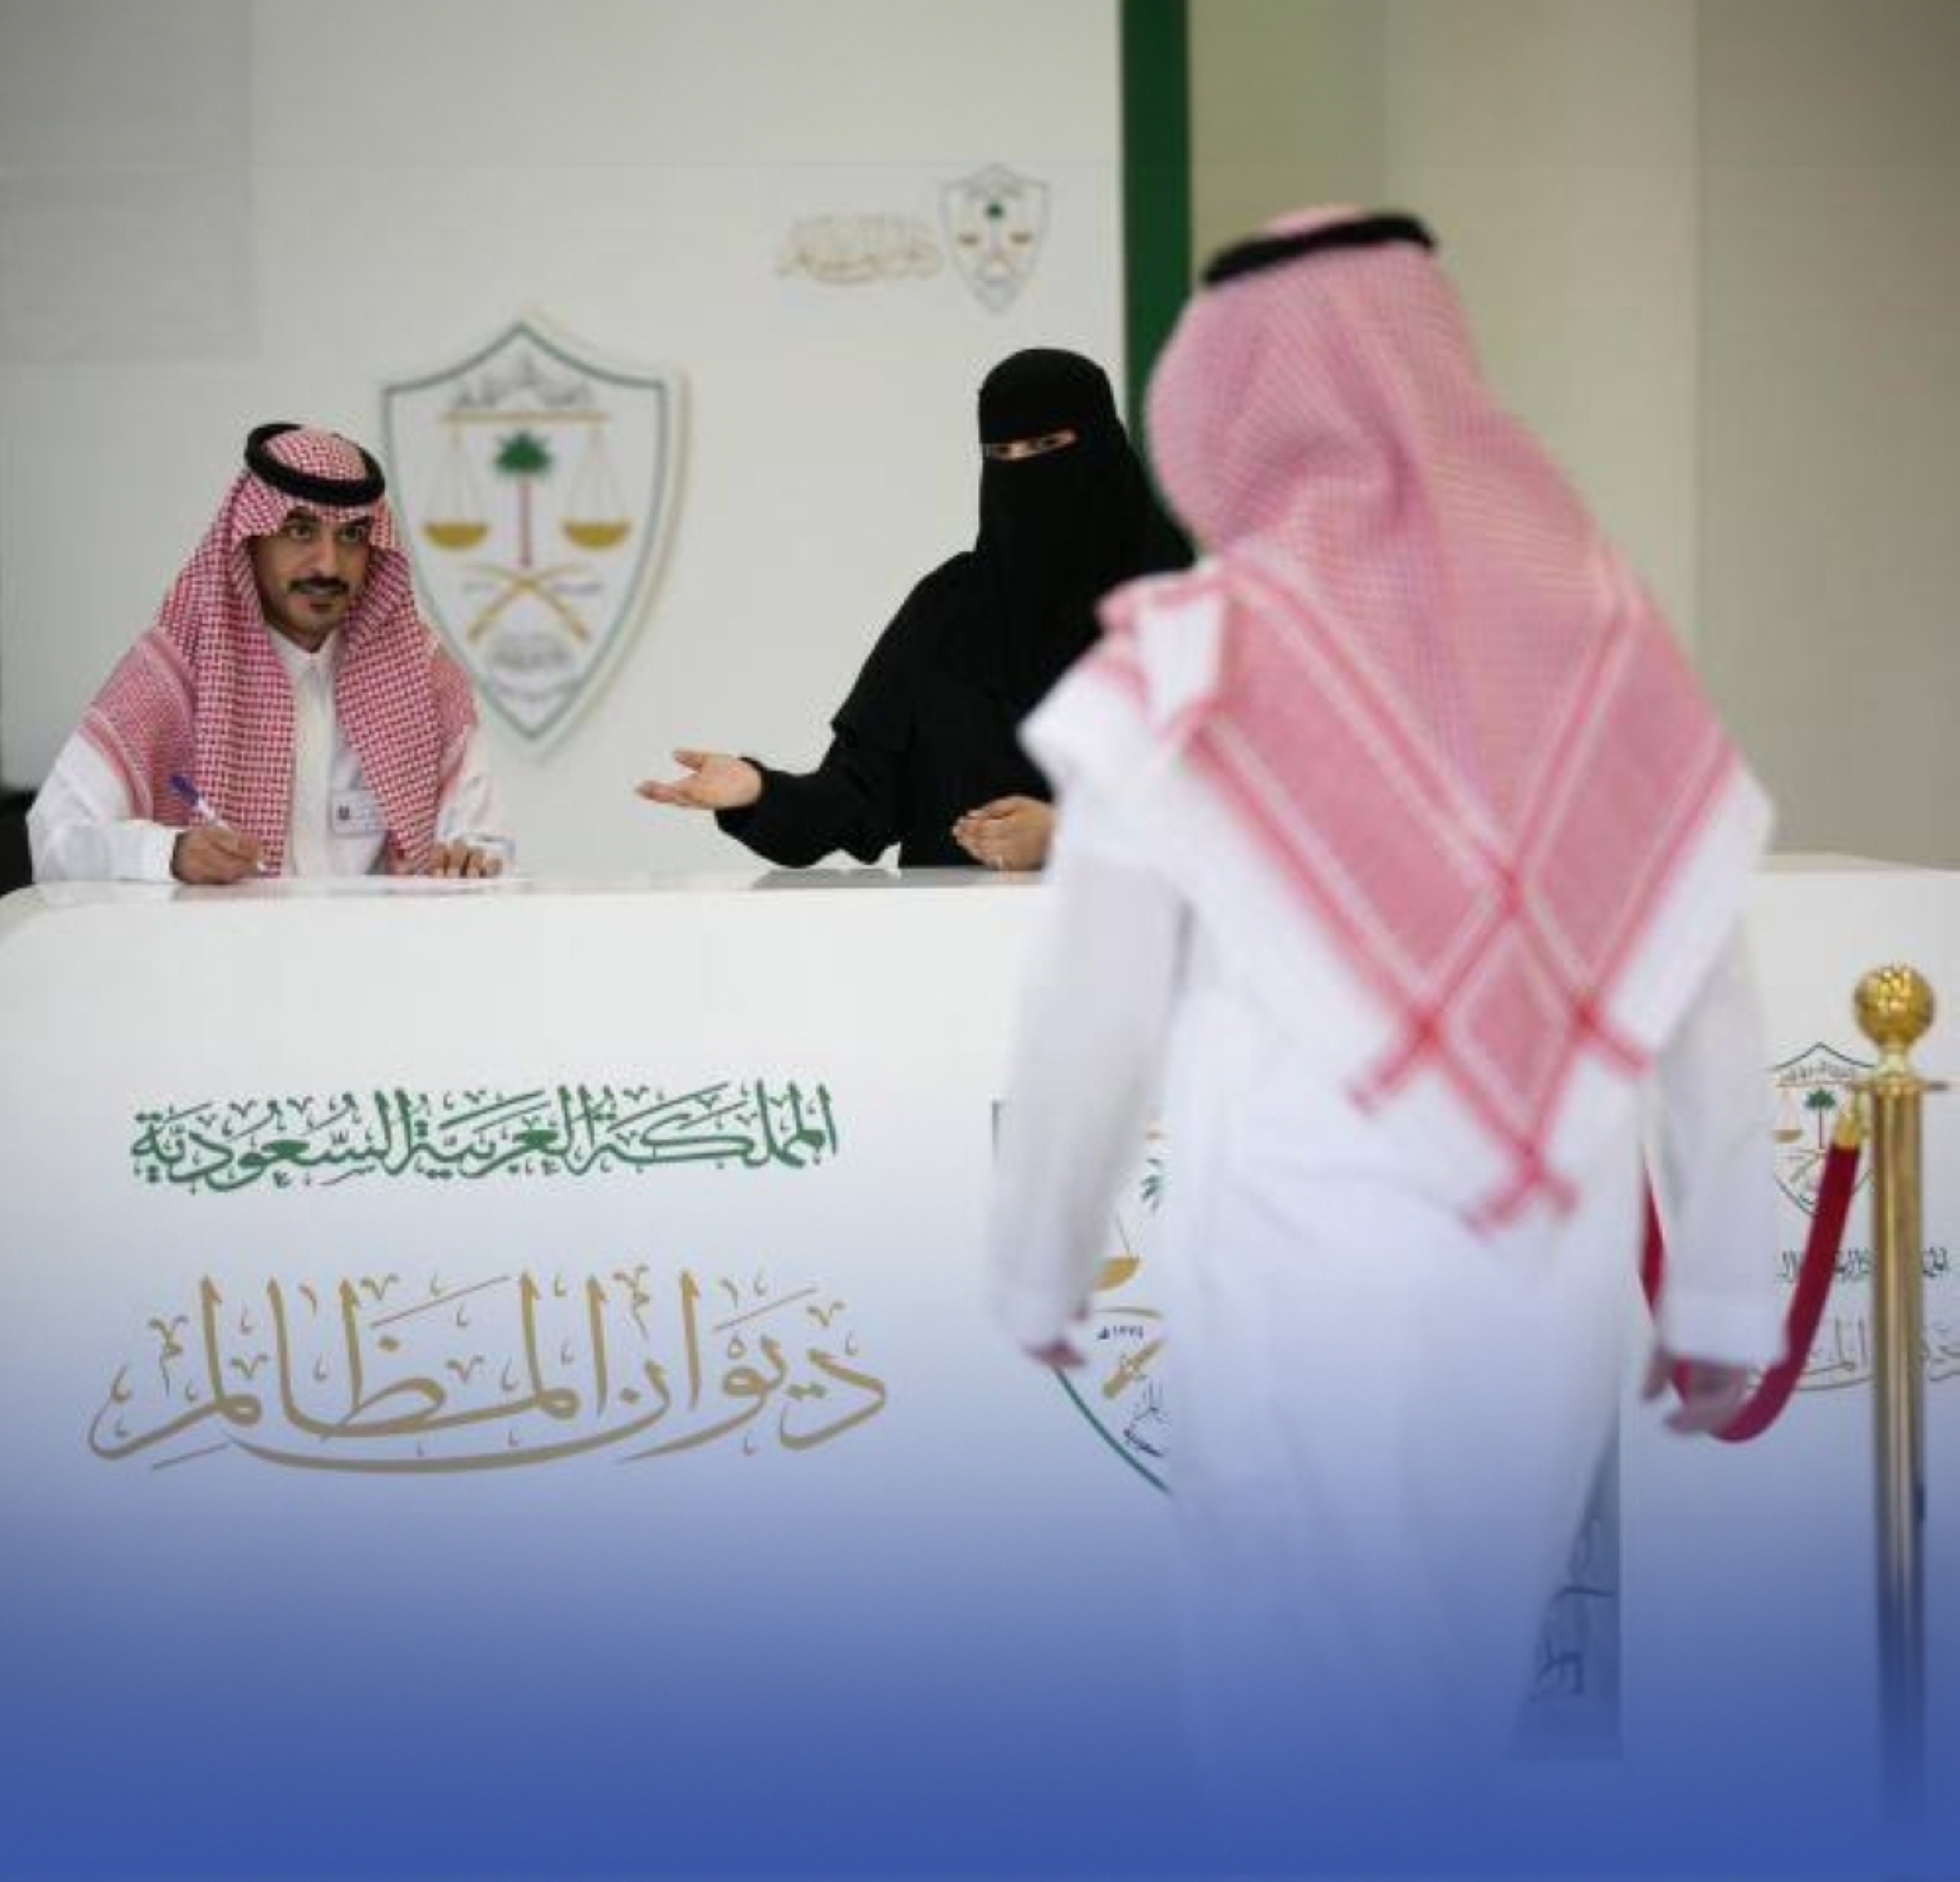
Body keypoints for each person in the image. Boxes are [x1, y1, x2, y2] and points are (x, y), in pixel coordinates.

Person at [984, 212, 1785, 1862]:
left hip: (1298, 1259)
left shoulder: (1200, 654)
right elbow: (1705, 980)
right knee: (1446, 1716)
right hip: (1540, 1265)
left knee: (1296, 1744)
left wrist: (1039, 1263)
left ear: (1217, 396)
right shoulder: (1595, 631)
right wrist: (1717, 1288)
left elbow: (1094, 1004)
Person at [636, 348, 1187, 870]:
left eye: (1046, 446)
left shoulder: (1181, 617)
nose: (1021, 474)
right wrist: (759, 792)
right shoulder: (948, 608)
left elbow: (1216, 818)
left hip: (1122, 933)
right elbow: (858, 799)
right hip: (943, 935)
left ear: (1102, 448)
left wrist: (1066, 834)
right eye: (1000, 454)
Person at [29, 422, 509, 884]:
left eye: (351, 536)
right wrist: (171, 854)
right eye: (300, 531)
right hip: (221, 941)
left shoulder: (422, 676)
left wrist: (471, 859)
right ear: (251, 540)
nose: (328, 565)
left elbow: (485, 844)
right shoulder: (178, 672)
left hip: (383, 939)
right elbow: (55, 839)